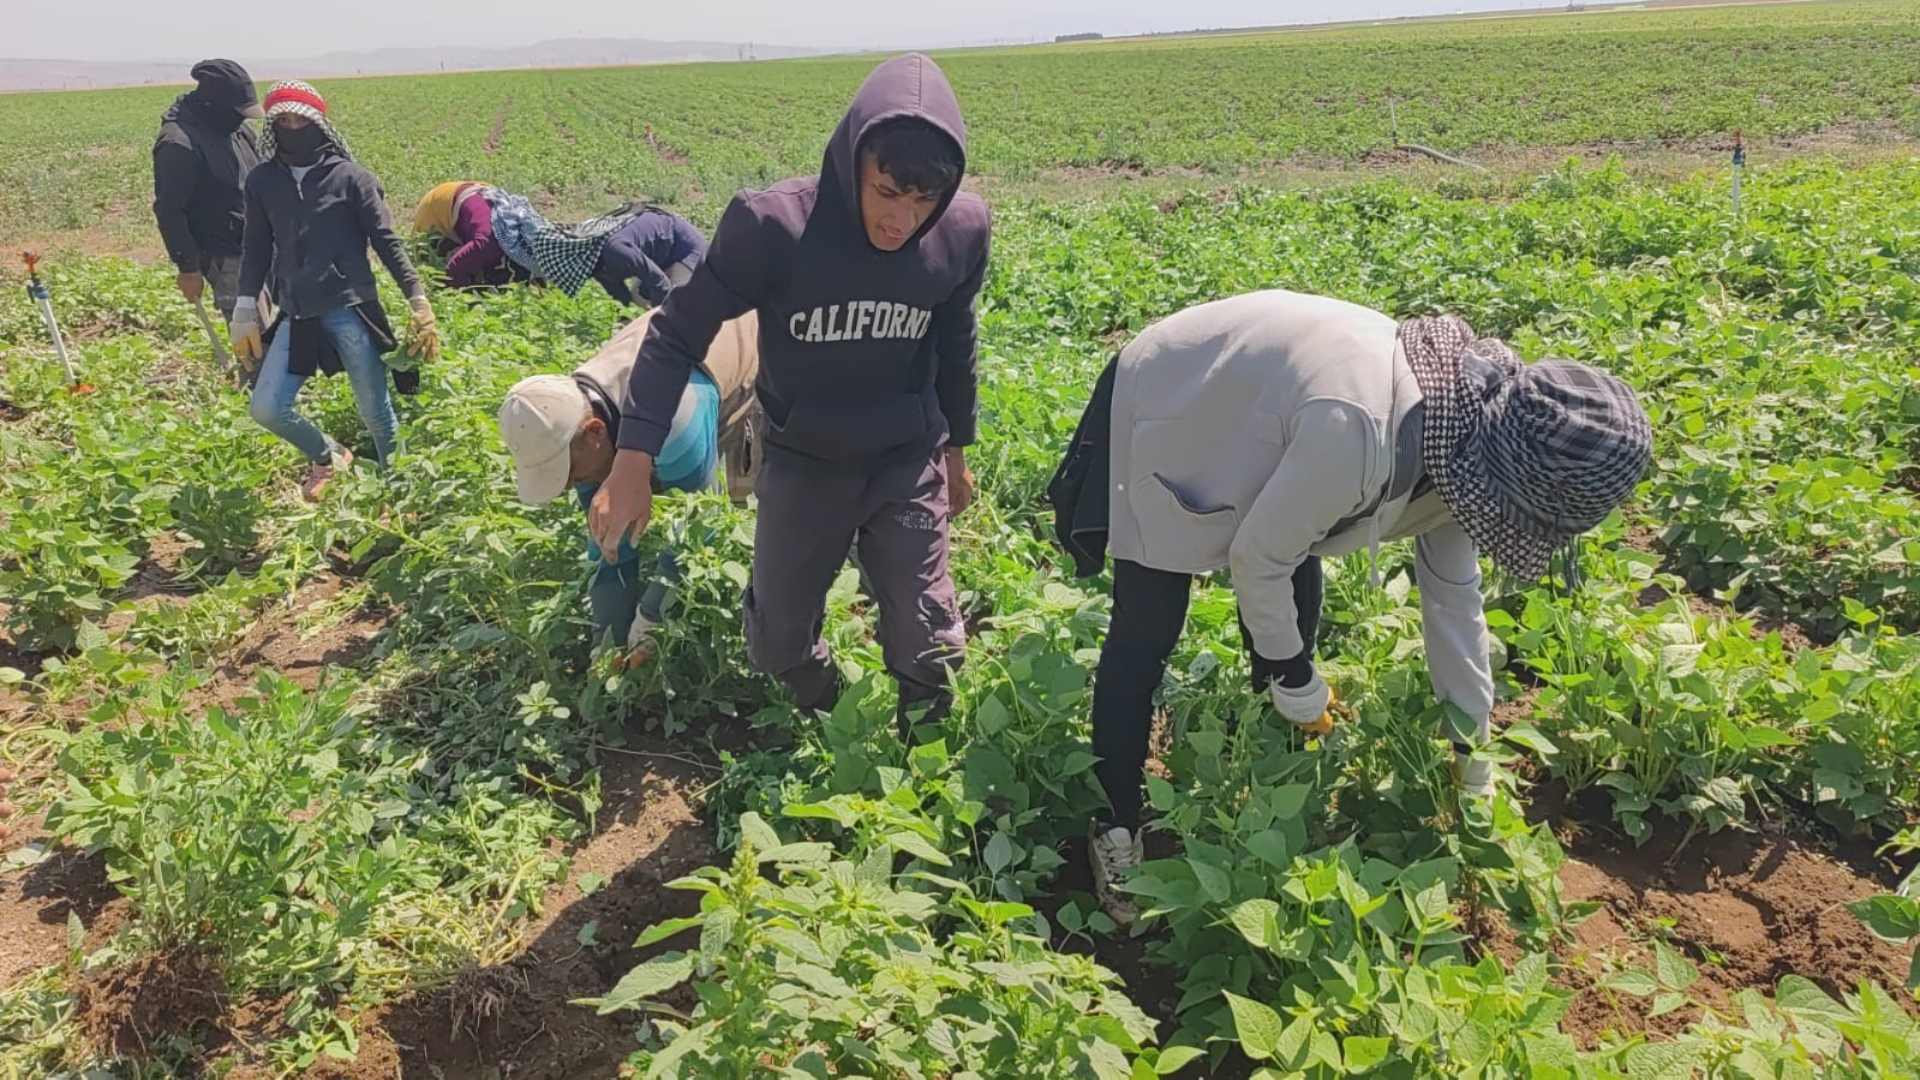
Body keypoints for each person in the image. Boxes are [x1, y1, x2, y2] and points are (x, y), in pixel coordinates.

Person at [1047, 290, 1653, 925]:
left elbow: (1454, 603)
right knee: (1146, 631)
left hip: (1280, 416)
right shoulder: (1359, 433)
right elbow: (1261, 560)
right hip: (1178, 397)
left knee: (1294, 598)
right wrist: (1296, 677)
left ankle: (1276, 784)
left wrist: (1472, 758)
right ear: (1517, 478)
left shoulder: (1468, 447)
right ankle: (1115, 821)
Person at [586, 53, 990, 739]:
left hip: (903, 456)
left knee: (931, 646)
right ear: (853, 162)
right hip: (806, 460)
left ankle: (921, 767)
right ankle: (834, 719)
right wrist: (631, 462)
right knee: (776, 643)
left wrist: (956, 447)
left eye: (924, 202)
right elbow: (674, 336)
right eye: (887, 192)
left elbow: (954, 337)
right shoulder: (775, 229)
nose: (902, 220)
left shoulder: (960, 234)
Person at [499, 311, 761, 656]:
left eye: (573, 475)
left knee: (739, 494)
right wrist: (607, 640)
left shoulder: (676, 425)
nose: (574, 486)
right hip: (686, 363)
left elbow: (700, 526)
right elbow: (608, 541)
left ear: (595, 432)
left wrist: (650, 619)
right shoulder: (572, 414)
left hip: (760, 352)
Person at [229, 81, 441, 500]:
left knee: (375, 412)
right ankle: (329, 455)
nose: (291, 127)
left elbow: (386, 240)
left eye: (299, 119)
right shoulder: (263, 181)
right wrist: (244, 308)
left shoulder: (351, 178)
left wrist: (417, 297)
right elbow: (254, 247)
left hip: (350, 307)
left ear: (318, 122)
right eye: (281, 120)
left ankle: (398, 493)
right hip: (298, 312)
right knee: (267, 408)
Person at [152, 59, 263, 321]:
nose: (241, 119)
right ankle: (253, 364)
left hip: (258, 244)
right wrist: (188, 268)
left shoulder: (235, 129)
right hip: (225, 255)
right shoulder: (178, 143)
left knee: (277, 329)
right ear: (212, 104)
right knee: (252, 334)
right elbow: (170, 210)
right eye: (238, 112)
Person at [484, 193, 708, 308]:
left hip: (684, 248)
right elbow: (620, 299)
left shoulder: (614, 250)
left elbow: (660, 283)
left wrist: (659, 329)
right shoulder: (596, 266)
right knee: (641, 297)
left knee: (679, 305)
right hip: (657, 255)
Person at [413, 180, 521, 288]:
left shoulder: (524, 237)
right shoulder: (487, 244)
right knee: (427, 261)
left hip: (469, 191)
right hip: (436, 204)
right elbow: (455, 270)